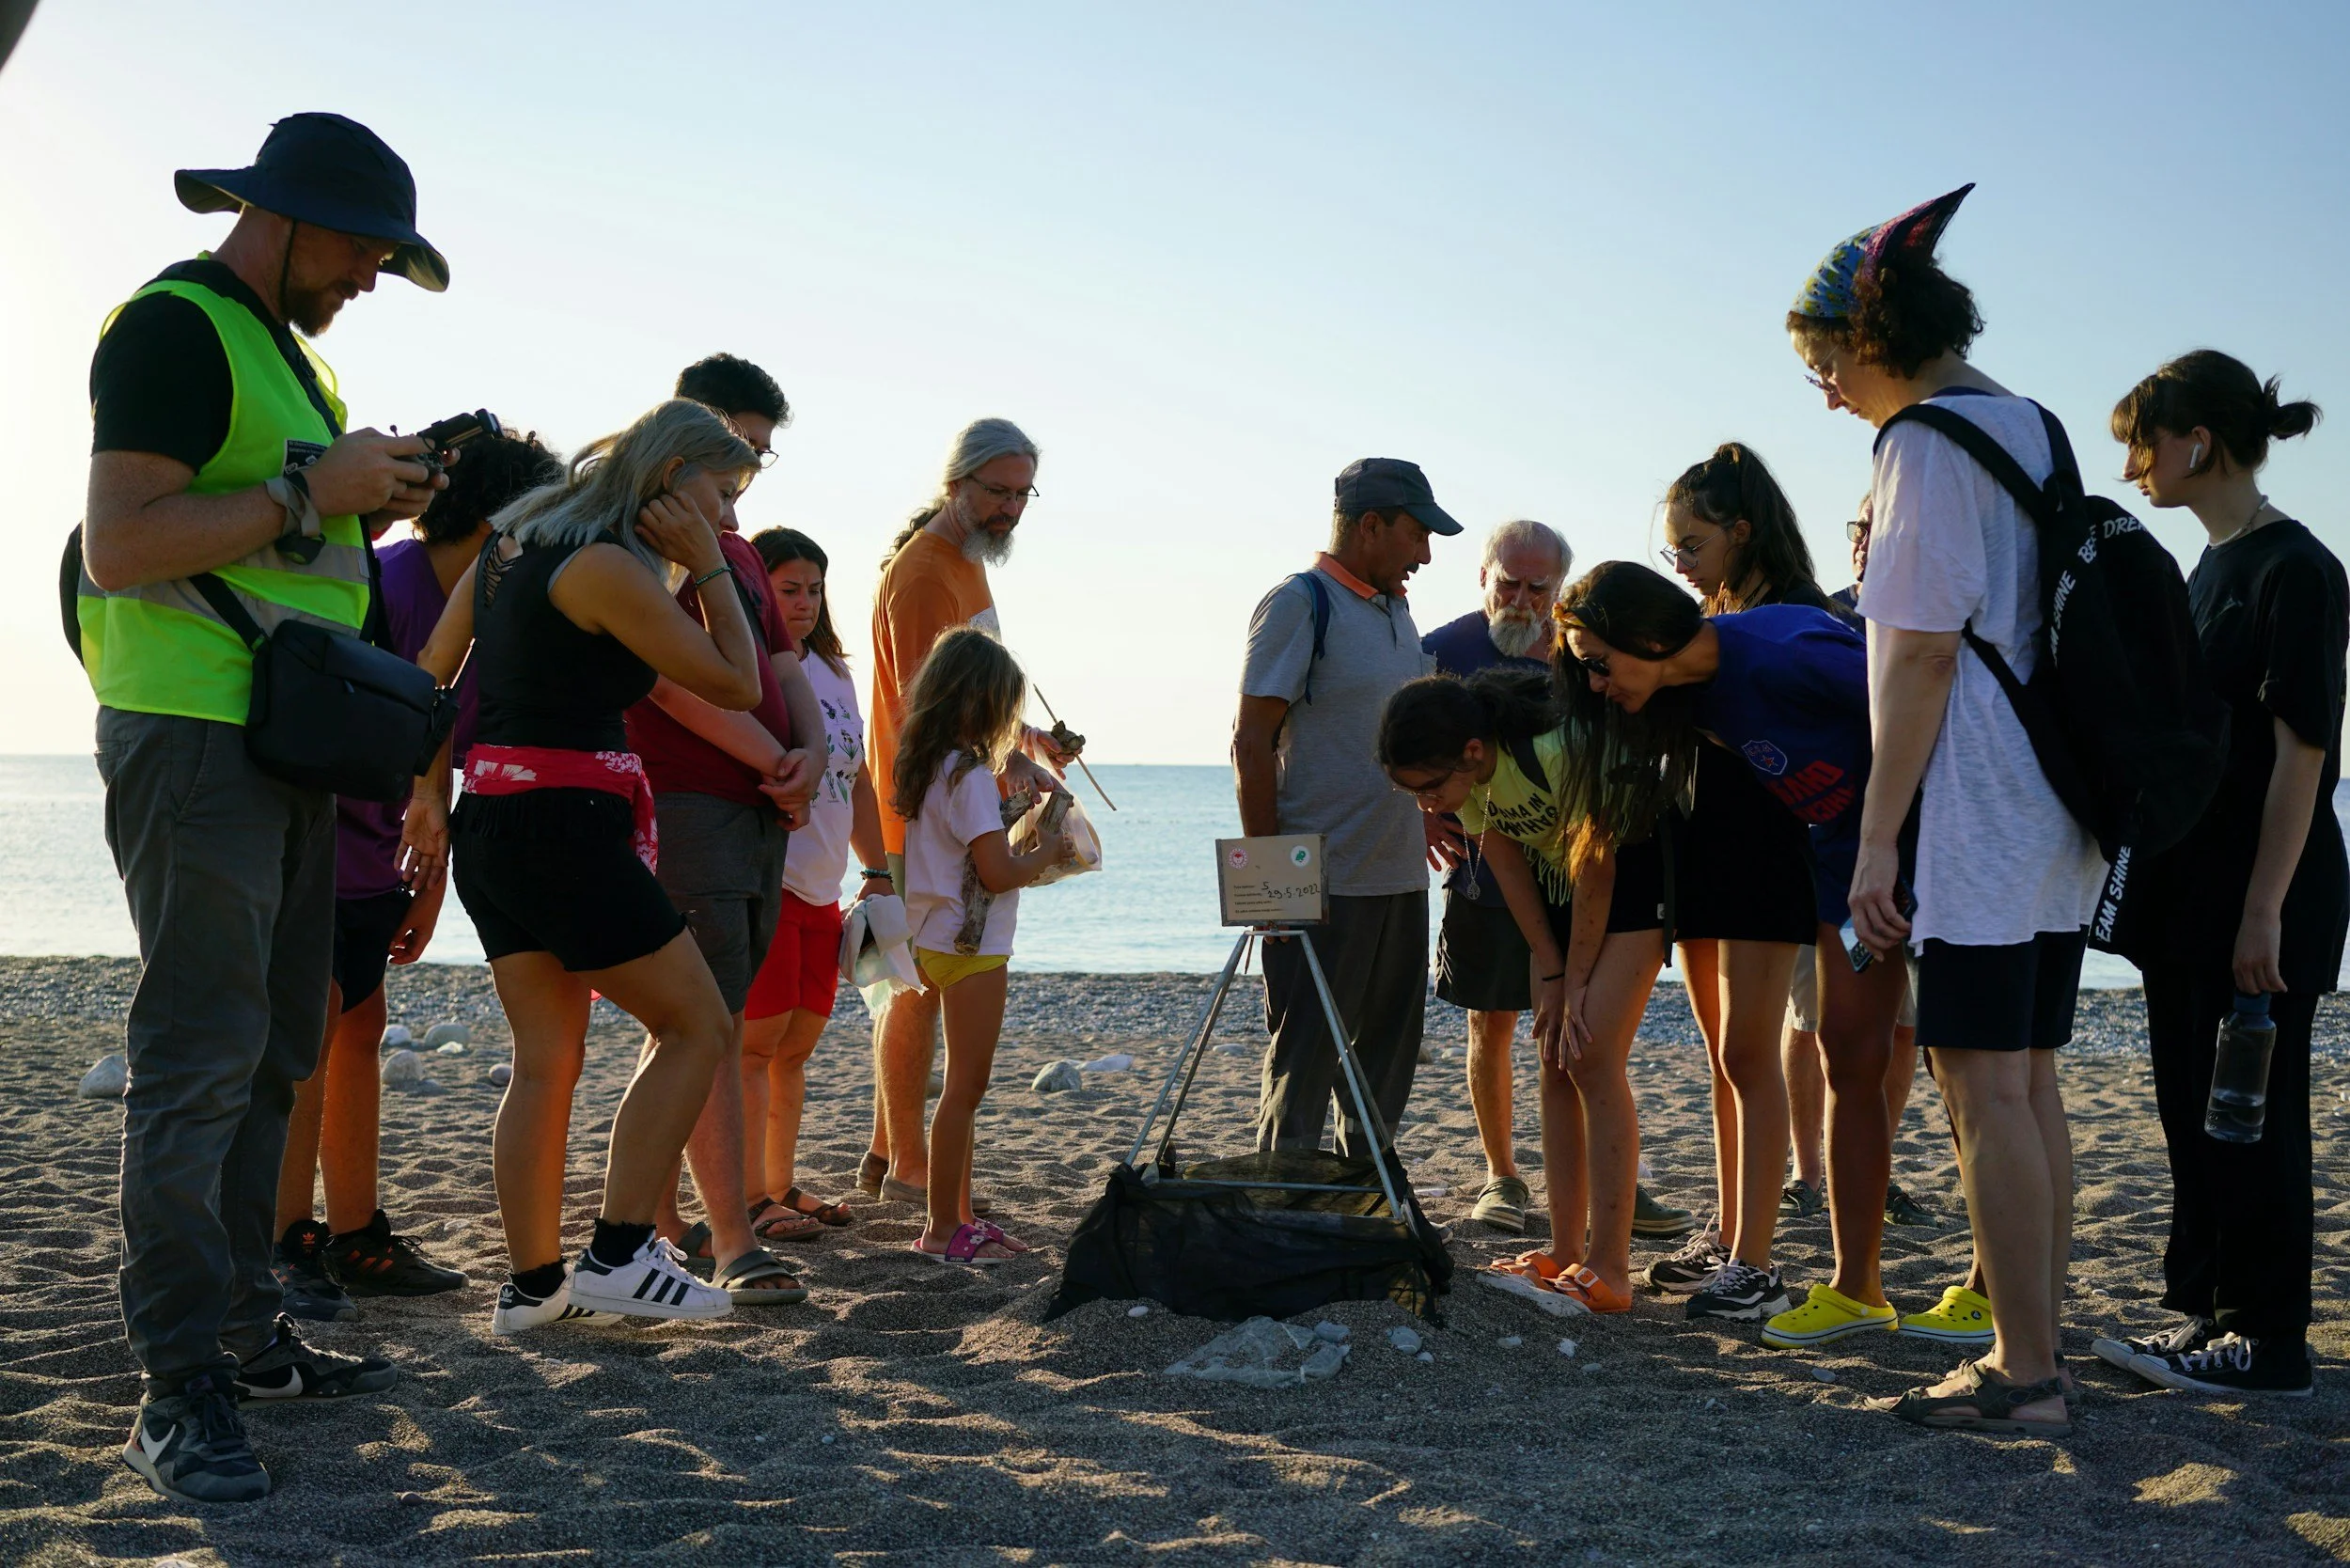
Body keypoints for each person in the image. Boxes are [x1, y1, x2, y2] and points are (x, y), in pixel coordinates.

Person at [78, 113, 447, 1504]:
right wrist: (314, 486)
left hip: (285, 751)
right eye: (363, 247)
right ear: (283, 216)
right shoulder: (175, 327)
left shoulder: (294, 354)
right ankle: (178, 1391)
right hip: (195, 738)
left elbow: (278, 536)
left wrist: (377, 495)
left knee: (274, 1054)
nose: (369, 274)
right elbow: (121, 545)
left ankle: (241, 1332)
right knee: (201, 1063)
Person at [1789, 183, 2107, 1436]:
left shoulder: (1919, 443)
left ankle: (2024, 1373)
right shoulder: (2035, 424)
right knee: (2026, 1080)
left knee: (1980, 1084)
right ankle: (2039, 1336)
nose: (1822, 392)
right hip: (2058, 800)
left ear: (1868, 340)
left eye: (1823, 362)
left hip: (1977, 804)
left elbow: (1917, 655)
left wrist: (1878, 839)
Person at [401, 399, 775, 1337]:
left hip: (496, 817)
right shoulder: (606, 567)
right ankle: (617, 1255)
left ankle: (532, 1290)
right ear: (666, 476)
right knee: (697, 1025)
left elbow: (431, 670)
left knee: (545, 1063)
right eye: (721, 494)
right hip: (562, 826)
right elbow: (737, 682)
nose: (729, 519)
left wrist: (426, 799)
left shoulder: (512, 543)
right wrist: (714, 571)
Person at [1556, 563, 1919, 1331]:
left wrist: (1899, 844)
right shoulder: (1689, 698)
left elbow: (1917, 702)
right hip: (1838, 867)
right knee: (1842, 1057)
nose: (1593, 682)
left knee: (1961, 1064)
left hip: (1914, 853)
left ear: (1647, 637)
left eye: (1597, 661)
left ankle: (1773, 1267)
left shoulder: (1781, 648)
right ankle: (1819, 1277)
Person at [2092, 352, 2339, 1398]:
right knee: (2191, 1106)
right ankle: (2208, 1318)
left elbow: (2303, 755)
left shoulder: (2298, 570)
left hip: (2262, 895)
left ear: (2196, 440)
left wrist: (2263, 912)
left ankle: (2264, 1338)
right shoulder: (2206, 569)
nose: (2134, 466)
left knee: (2252, 1109)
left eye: (2142, 443)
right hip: (2187, 893)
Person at [271, 427, 560, 1321]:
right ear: (495, 522)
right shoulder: (384, 581)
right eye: (536, 525)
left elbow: (446, 756)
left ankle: (356, 1233)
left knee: (362, 1029)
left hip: (384, 858)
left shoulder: (489, 609)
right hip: (316, 838)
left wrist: (427, 880)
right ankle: (286, 1242)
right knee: (306, 1039)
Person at [622, 353, 822, 1308]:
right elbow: (662, 678)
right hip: (692, 802)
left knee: (707, 1022)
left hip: (760, 808)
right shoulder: (647, 539)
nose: (747, 470)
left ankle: (660, 1227)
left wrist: (811, 753)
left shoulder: (738, 551)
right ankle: (726, 1236)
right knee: (701, 1021)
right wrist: (765, 759)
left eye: (758, 456)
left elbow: (787, 669)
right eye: (739, 447)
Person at [1379, 670, 1669, 1311]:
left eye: (1431, 788)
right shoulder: (1476, 784)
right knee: (1553, 1059)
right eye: (1413, 795)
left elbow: (1598, 867)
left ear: (1474, 752)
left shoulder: (1555, 751)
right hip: (1560, 888)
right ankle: (1565, 1251)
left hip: (1634, 873)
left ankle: (1612, 1269)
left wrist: (1576, 979)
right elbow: (1504, 859)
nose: (1428, 807)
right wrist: (1548, 964)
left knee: (1591, 1055)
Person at [1639, 445, 1835, 1318]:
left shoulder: (1791, 619)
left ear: (1740, 532)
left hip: (1766, 850)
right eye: (1671, 548)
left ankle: (1755, 1262)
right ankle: (1728, 1233)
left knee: (1751, 1052)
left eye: (1691, 542)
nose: (1679, 562)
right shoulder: (1711, 619)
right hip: (1707, 850)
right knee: (1727, 1057)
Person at [864, 418, 1074, 1209]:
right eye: (997, 492)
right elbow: (936, 707)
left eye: (1023, 495)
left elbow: (974, 694)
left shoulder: (969, 562)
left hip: (953, 802)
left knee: (918, 986)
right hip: (920, 815)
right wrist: (1008, 762)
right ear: (955, 484)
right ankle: (914, 1168)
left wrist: (1026, 739)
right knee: (912, 990)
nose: (1010, 510)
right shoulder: (924, 574)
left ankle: (893, 1153)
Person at [1235, 459, 1459, 1161]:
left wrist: (1421, 811)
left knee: (1389, 1053)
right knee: (1305, 1052)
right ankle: (1287, 1195)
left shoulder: (1397, 608)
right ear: (1370, 525)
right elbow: (1249, 742)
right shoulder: (1301, 604)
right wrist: (1270, 884)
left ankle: (1363, 1185)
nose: (1425, 554)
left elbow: (1382, 741)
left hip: (1398, 874)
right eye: (1417, 534)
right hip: (1322, 880)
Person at [1781, 494, 1935, 1238]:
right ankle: (1807, 1173)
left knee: (1902, 1030)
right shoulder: (1825, 621)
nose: (1866, 545)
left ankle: (1876, 1162)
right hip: (1832, 859)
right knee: (1815, 1022)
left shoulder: (1937, 623)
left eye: (1883, 532)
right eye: (1859, 531)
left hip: (1925, 859)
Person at [895, 628, 1069, 1262]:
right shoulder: (967, 775)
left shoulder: (933, 764)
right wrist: (1044, 852)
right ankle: (943, 1229)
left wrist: (1016, 802)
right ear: (981, 704)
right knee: (966, 1088)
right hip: (972, 947)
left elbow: (965, 850)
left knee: (962, 1089)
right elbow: (996, 872)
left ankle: (961, 1217)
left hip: (936, 937)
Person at [1419, 519, 1569, 1233]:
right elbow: (1401, 745)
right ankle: (1502, 1175)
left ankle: (1594, 1169)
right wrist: (1422, 814)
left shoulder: (1579, 649)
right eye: (1507, 582)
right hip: (1479, 862)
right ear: (1483, 576)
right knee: (1492, 1019)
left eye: (1538, 587)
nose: (1521, 599)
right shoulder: (1442, 651)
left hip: (1573, 867)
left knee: (1580, 1025)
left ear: (1558, 589)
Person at [740, 526, 889, 1240]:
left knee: (796, 1047)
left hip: (825, 888)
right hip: (767, 879)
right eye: (788, 588)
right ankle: (745, 1198)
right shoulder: (744, 664)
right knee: (753, 1045)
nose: (803, 602)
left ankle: (776, 1184)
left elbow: (855, 777)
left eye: (814, 589)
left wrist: (880, 869)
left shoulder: (831, 668)